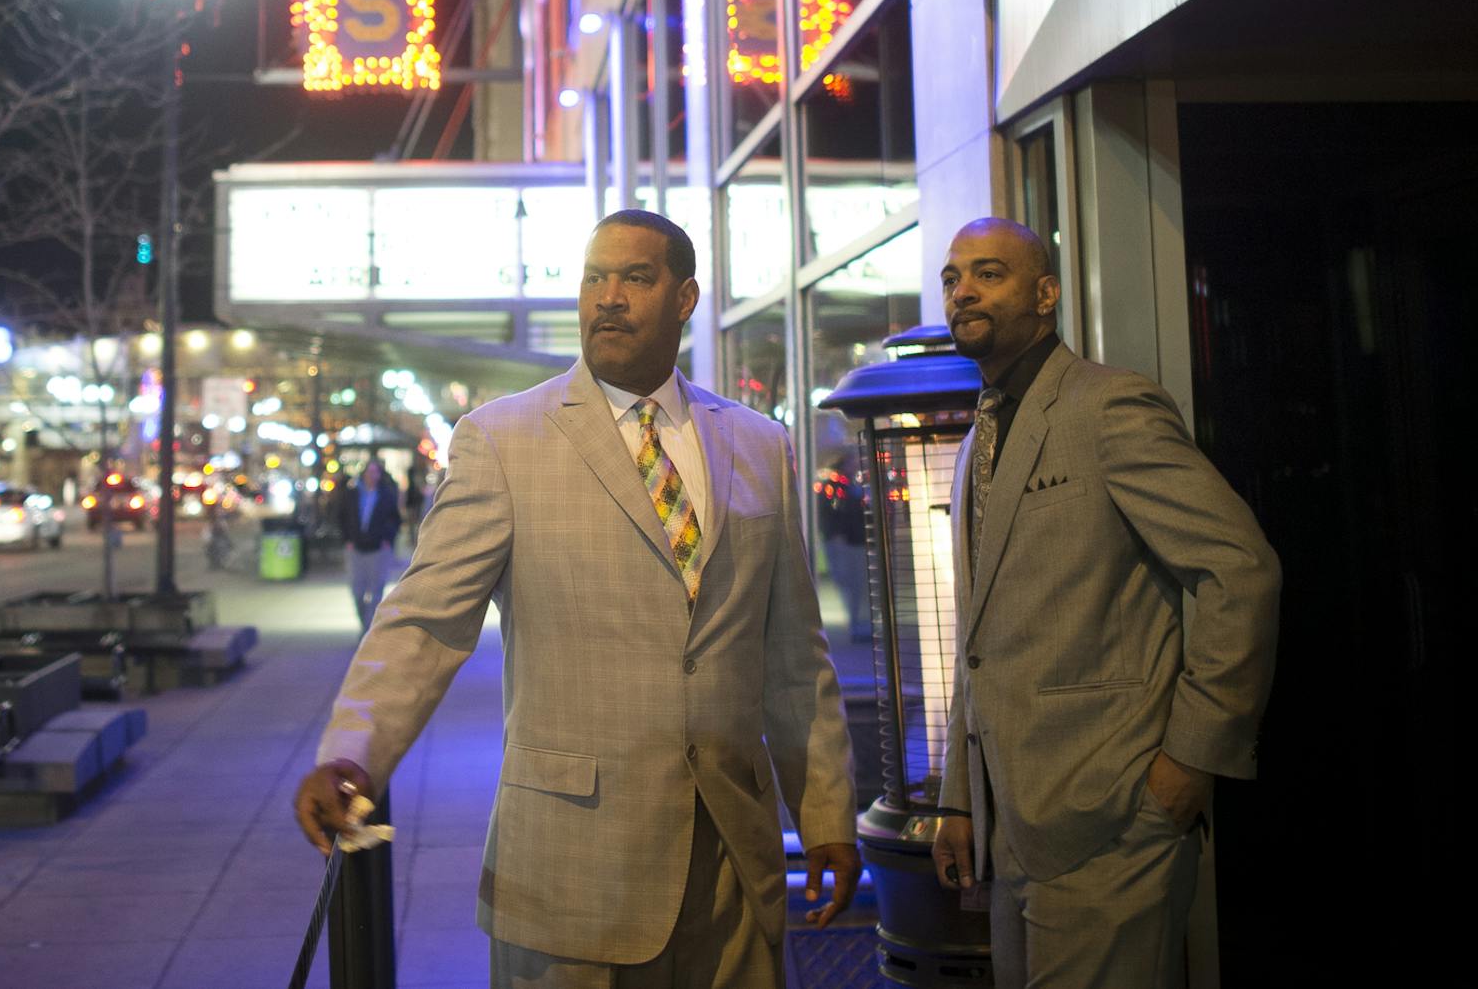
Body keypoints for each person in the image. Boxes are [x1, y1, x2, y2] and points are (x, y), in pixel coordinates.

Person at [295, 210, 860, 988]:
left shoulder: (759, 444)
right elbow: (424, 620)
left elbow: (795, 655)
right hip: (572, 874)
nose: (609, 298)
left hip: (732, 868)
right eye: (595, 278)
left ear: (686, 297)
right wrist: (351, 751)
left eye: (636, 277)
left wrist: (826, 814)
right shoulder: (504, 440)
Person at [929, 218, 1280, 988]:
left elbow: (1240, 569)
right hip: (1012, 829)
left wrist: (1192, 756)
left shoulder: (1110, 407)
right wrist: (961, 797)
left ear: (1045, 294)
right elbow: (980, 641)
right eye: (953, 278)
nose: (964, 292)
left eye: (989, 273)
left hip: (1113, 818)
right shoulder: (975, 438)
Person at [338, 458, 403, 630]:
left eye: (375, 472)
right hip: (356, 548)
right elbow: (341, 516)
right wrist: (348, 539)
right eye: (369, 472)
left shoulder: (386, 494)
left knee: (376, 592)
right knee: (357, 591)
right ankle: (365, 624)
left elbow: (394, 519)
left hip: (378, 549)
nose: (372, 475)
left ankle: (368, 629)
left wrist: (387, 540)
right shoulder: (352, 493)